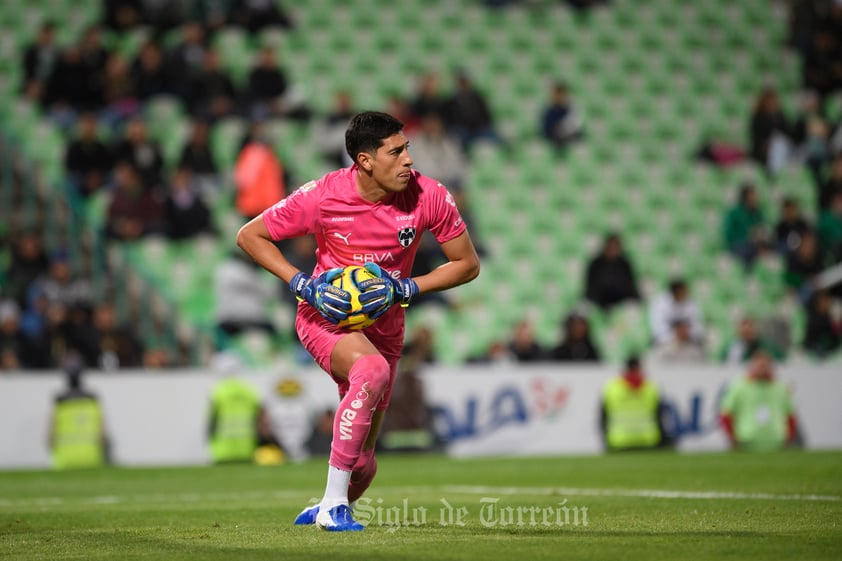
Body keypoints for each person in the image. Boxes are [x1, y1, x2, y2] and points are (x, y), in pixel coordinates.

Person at [236, 111, 480, 531]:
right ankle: (333, 506)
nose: (408, 160)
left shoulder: (429, 195)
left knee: (365, 465)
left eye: (408, 149)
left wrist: (408, 288)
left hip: (386, 326)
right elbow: (249, 236)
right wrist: (302, 284)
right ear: (365, 161)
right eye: (396, 151)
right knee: (371, 371)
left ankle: (327, 507)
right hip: (326, 318)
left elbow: (467, 265)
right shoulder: (324, 195)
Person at [719, 350, 798, 451]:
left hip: (776, 443)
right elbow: (726, 415)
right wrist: (733, 438)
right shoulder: (739, 387)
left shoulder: (781, 387)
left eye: (765, 365)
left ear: (771, 367)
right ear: (752, 366)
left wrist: (789, 438)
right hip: (746, 442)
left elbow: (791, 416)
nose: (762, 369)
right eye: (759, 365)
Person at [49, 353, 109, 469]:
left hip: (63, 460)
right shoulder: (92, 399)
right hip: (92, 458)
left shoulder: (60, 401)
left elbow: (51, 435)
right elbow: (103, 434)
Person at [599, 356, 666, 451]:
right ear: (640, 368)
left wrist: (604, 439)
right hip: (647, 440)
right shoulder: (651, 387)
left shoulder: (612, 387)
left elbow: (603, 417)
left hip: (619, 441)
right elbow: (660, 415)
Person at [208, 373, 275, 464]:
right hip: (247, 449)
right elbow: (261, 416)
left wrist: (209, 437)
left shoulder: (218, 392)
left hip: (222, 451)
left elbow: (211, 421)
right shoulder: (249, 392)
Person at [584, 232, 641, 311]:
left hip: (621, 302)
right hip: (599, 301)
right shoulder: (596, 264)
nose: (613, 250)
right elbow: (591, 289)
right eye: (611, 246)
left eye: (616, 247)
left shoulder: (624, 264)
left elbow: (629, 287)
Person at [722, 181, 769, 269]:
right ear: (745, 197)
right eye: (752, 196)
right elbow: (729, 235)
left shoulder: (757, 214)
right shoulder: (734, 213)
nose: (755, 198)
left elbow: (762, 231)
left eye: (755, 195)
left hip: (755, 246)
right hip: (738, 246)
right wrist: (747, 236)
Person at [648, 278, 705, 346]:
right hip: (666, 342)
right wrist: (675, 336)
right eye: (681, 292)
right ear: (674, 292)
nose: (685, 295)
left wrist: (688, 333)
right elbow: (657, 329)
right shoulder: (659, 303)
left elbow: (698, 325)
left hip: (687, 341)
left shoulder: (691, 301)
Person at [722, 317, 786, 365]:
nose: (747, 335)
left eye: (749, 331)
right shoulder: (732, 347)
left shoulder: (767, 345)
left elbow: (782, 359)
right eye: (744, 333)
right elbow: (721, 361)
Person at [540, 81, 584, 151]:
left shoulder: (570, 109)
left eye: (561, 94)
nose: (558, 96)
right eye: (556, 94)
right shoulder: (548, 111)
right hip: (552, 141)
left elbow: (576, 127)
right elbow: (545, 130)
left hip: (567, 139)